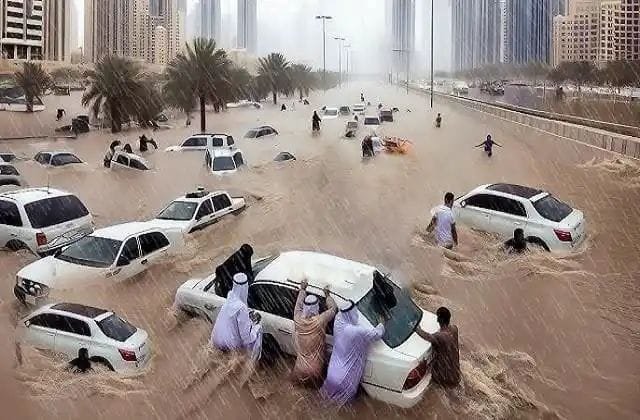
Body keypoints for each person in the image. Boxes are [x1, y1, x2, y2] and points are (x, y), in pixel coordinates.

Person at [321, 300, 384, 406]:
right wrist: (382, 322)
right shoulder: (355, 331)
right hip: (346, 378)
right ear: (351, 314)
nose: (356, 315)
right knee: (344, 407)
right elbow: (377, 334)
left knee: (325, 402)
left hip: (332, 373)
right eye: (355, 312)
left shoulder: (338, 321)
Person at [291, 279, 337, 387]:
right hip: (315, 369)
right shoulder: (320, 321)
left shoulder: (297, 319)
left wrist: (302, 289)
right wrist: (327, 295)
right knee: (313, 393)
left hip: (299, 368)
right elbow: (333, 309)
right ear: (317, 307)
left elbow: (298, 306)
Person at [211, 273, 263, 361]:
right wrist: (255, 328)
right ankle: (250, 364)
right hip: (230, 344)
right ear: (245, 287)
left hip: (216, 338)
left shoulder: (230, 297)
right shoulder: (242, 308)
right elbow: (246, 336)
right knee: (258, 331)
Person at [415, 307, 461, 388]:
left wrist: (417, 329)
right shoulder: (454, 329)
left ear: (440, 320)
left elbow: (427, 337)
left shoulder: (440, 336)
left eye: (438, 318)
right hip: (456, 374)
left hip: (444, 378)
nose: (436, 320)